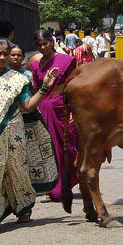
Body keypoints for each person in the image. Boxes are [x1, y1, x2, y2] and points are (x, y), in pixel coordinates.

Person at [0, 38, 59, 239]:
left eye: (6, 54)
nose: (3, 57)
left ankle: (23, 207)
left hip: (14, 133)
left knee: (17, 171)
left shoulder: (17, 79)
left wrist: (45, 88)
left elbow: (27, 106)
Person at [29, 29, 78, 205]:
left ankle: (73, 179)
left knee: (66, 148)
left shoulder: (67, 61)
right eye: (39, 45)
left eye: (45, 43)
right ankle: (55, 189)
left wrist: (73, 111)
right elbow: (35, 89)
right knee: (49, 151)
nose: (43, 47)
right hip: (43, 110)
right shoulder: (35, 66)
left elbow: (74, 85)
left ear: (52, 42)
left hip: (62, 109)